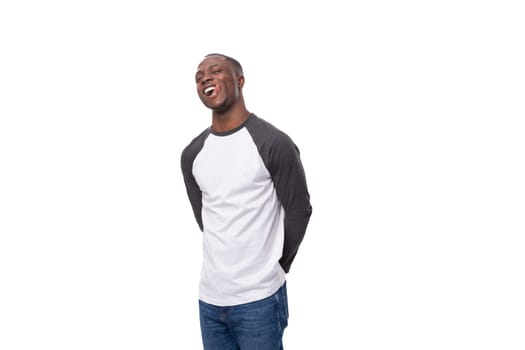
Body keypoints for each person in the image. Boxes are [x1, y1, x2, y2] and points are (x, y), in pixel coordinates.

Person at [181, 53, 312, 350]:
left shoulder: (273, 142)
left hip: (259, 299)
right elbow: (206, 219)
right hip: (210, 299)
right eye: (199, 75)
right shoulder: (192, 154)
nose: (205, 77)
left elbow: (299, 211)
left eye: (215, 71)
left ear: (240, 80)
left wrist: (277, 265)